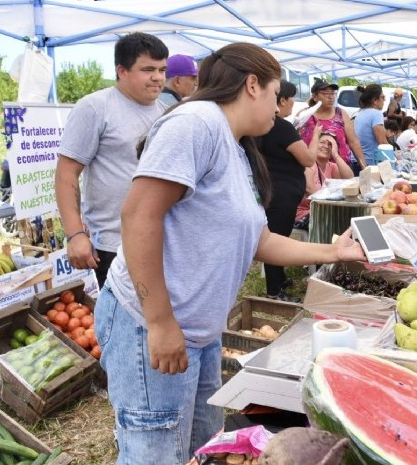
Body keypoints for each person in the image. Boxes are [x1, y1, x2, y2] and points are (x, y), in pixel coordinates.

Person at [94, 43, 365, 465]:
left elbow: (260, 241)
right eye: (277, 95)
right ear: (252, 85)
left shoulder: (235, 146)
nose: (278, 109)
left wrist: (334, 249)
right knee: (156, 454)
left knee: (200, 449)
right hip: (149, 326)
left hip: (198, 333)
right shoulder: (195, 124)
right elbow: (138, 216)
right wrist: (160, 322)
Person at [55, 32, 169, 288]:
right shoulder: (95, 108)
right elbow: (66, 174)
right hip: (113, 246)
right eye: (148, 69)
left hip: (159, 242)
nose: (158, 77)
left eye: (162, 69)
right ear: (122, 70)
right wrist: (75, 235)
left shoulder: (165, 113)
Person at [259, 80, 317, 302]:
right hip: (281, 192)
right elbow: (308, 158)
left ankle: (280, 279)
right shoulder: (282, 127)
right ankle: (274, 292)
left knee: (277, 234)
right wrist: (317, 135)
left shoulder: (266, 125)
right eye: (291, 97)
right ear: (282, 100)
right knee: (276, 238)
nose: (294, 101)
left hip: (274, 190)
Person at [298, 79, 367, 173]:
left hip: (341, 171)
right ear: (314, 96)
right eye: (326, 93)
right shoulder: (304, 115)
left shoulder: (341, 114)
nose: (331, 97)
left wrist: (364, 167)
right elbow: (296, 143)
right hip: (312, 173)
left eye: (332, 93)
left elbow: (354, 142)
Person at [295, 131, 355, 229]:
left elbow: (350, 178)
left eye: (330, 144)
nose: (326, 146)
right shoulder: (308, 165)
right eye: (322, 142)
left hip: (324, 211)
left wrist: (335, 155)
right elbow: (309, 189)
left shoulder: (331, 166)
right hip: (305, 214)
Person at [353, 84, 389, 165]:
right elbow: (382, 142)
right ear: (375, 100)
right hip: (369, 163)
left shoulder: (360, 113)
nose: (385, 100)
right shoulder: (376, 114)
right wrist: (395, 157)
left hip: (357, 160)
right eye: (383, 97)